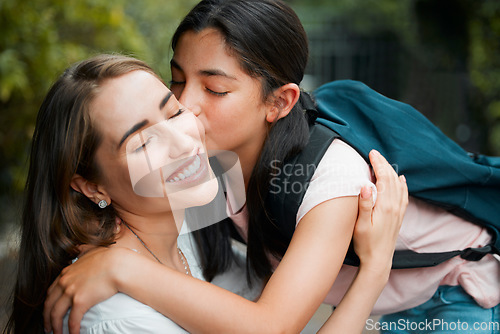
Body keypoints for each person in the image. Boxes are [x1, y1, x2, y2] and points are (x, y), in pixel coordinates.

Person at [41, 2, 412, 334]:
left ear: (280, 102)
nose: (187, 112)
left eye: (171, 111)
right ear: (91, 186)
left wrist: (122, 268)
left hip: (452, 286)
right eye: (178, 83)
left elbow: (269, 321)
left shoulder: (324, 177)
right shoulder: (121, 317)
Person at [3, 54, 262, 334]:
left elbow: (267, 311)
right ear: (92, 187)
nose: (183, 144)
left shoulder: (182, 233)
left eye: (174, 113)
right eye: (144, 143)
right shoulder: (116, 320)